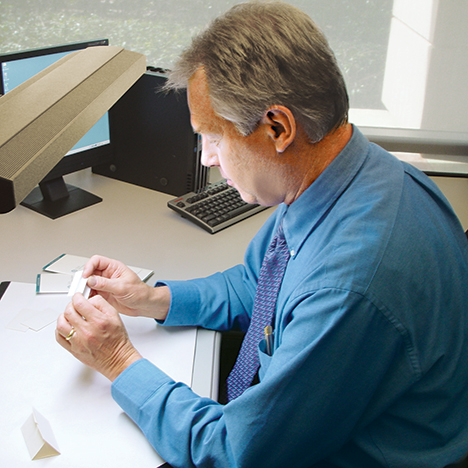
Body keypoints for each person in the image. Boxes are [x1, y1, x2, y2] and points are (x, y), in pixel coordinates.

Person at [56, 1, 468, 467]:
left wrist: (118, 362)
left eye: (213, 138)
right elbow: (259, 285)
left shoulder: (350, 283)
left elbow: (236, 453)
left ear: (277, 127)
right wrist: (152, 299)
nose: (207, 158)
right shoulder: (340, 176)